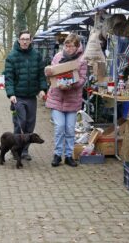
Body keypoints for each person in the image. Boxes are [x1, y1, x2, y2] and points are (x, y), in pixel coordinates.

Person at [45, 33, 87, 167]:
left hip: (72, 99)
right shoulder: (58, 57)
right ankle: (57, 154)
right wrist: (49, 72)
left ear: (77, 47)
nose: (68, 48)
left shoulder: (82, 60)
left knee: (69, 129)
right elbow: (51, 73)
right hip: (56, 98)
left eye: (71, 46)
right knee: (59, 127)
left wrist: (71, 85)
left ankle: (69, 155)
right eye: (66, 45)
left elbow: (82, 79)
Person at [4, 30, 47, 161]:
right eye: (22, 39)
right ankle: (15, 149)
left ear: (31, 40)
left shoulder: (36, 56)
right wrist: (11, 94)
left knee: (30, 125)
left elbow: (41, 74)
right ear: (18, 40)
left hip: (31, 97)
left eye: (27, 39)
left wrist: (42, 89)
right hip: (18, 97)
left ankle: (25, 151)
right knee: (19, 123)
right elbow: (9, 77)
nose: (24, 41)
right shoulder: (12, 56)